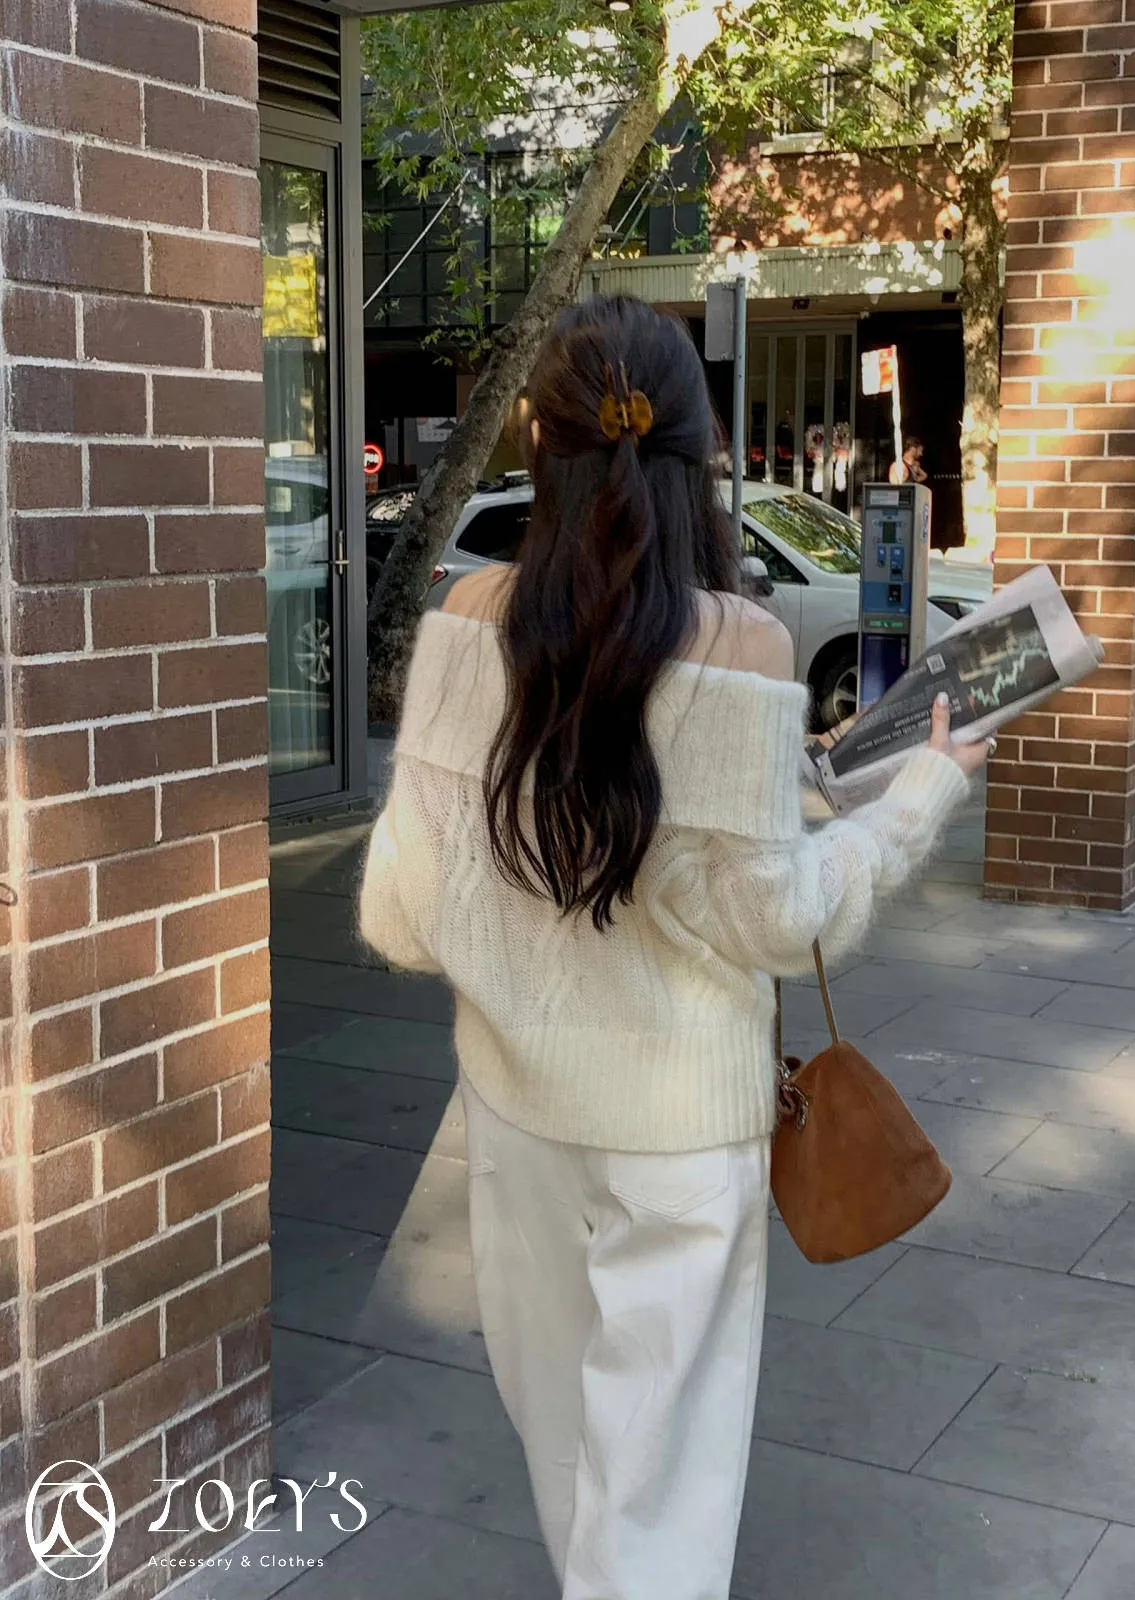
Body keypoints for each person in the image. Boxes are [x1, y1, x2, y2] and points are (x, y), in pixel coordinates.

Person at [359, 295, 988, 1600]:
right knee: (661, 1491)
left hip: (518, 1117)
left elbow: (398, 920)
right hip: (681, 1138)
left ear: (542, 443)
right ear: (697, 455)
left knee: (569, 1458)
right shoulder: (743, 642)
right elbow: (781, 919)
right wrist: (922, 790)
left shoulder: (464, 617)